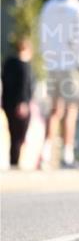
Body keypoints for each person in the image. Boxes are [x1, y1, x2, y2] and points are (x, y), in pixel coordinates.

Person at [39, 0, 79, 170]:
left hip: (52, 64)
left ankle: (45, 153)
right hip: (71, 65)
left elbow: (43, 37)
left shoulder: (48, 7)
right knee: (71, 110)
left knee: (54, 111)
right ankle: (67, 155)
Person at [1, 36, 34, 167]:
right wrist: (23, 102)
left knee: (13, 134)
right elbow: (24, 86)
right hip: (20, 104)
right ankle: (15, 161)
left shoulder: (8, 63)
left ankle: (14, 160)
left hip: (8, 103)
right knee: (19, 135)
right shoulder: (24, 66)